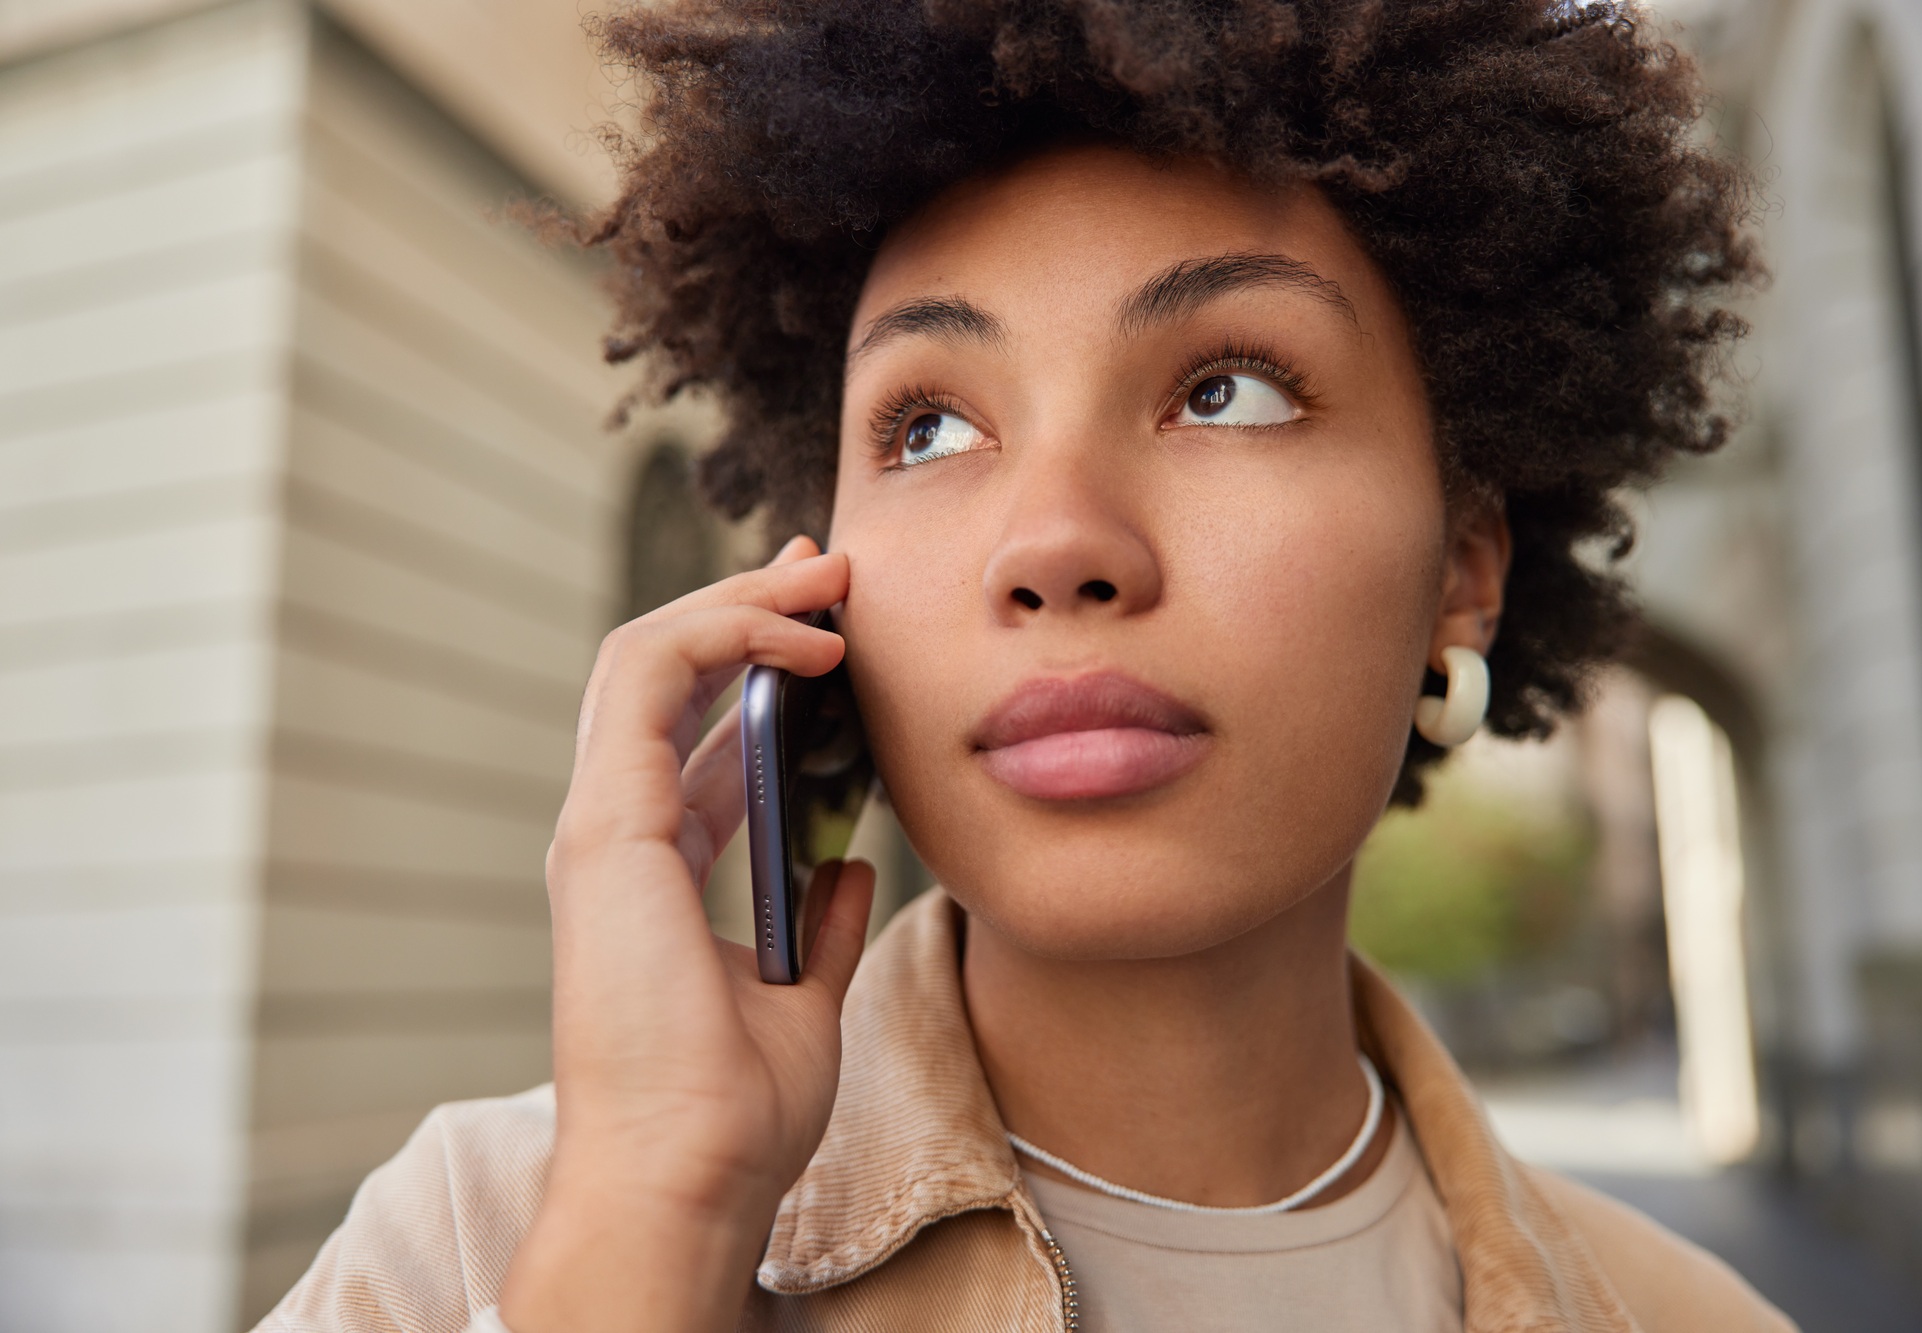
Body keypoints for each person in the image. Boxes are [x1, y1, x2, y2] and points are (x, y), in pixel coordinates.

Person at [258, 2, 1788, 1330]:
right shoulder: (480, 1235)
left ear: (1465, 567)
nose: (1055, 542)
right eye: (928, 427)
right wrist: (652, 1222)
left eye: (1229, 389)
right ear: (818, 582)